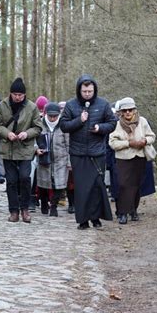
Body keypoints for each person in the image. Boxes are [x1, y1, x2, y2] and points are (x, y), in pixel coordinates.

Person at [60, 74, 116, 230]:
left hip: (97, 152)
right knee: (82, 187)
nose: (87, 94)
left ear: (94, 90)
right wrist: (79, 120)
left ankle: (96, 217)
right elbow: (64, 125)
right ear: (79, 90)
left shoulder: (103, 104)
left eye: (90, 91)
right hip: (78, 153)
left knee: (97, 186)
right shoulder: (71, 105)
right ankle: (83, 220)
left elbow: (112, 123)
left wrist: (100, 128)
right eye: (84, 91)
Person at [0, 77, 42, 223]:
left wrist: (27, 134)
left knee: (25, 178)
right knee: (12, 181)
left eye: (20, 95)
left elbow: (38, 127)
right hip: (8, 148)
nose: (17, 97)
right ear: (10, 93)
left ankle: (25, 209)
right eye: (15, 94)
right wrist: (7, 133)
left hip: (25, 148)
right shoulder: (3, 105)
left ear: (24, 94)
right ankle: (13, 211)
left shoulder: (32, 107)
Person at [108, 97, 156, 224]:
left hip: (140, 157)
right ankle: (122, 213)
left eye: (130, 110)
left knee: (136, 185)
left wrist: (144, 141)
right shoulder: (117, 124)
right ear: (121, 112)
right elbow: (112, 143)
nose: (128, 113)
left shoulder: (143, 121)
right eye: (125, 110)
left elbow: (151, 136)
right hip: (123, 158)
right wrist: (128, 143)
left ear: (134, 110)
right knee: (123, 185)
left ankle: (133, 210)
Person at [36, 103, 70, 217]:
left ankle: (54, 206)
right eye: (50, 116)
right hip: (44, 158)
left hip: (61, 159)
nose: (52, 118)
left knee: (59, 184)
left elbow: (69, 144)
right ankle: (44, 203)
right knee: (43, 183)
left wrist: (69, 161)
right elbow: (33, 141)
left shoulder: (64, 126)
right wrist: (36, 149)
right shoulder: (40, 125)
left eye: (55, 116)